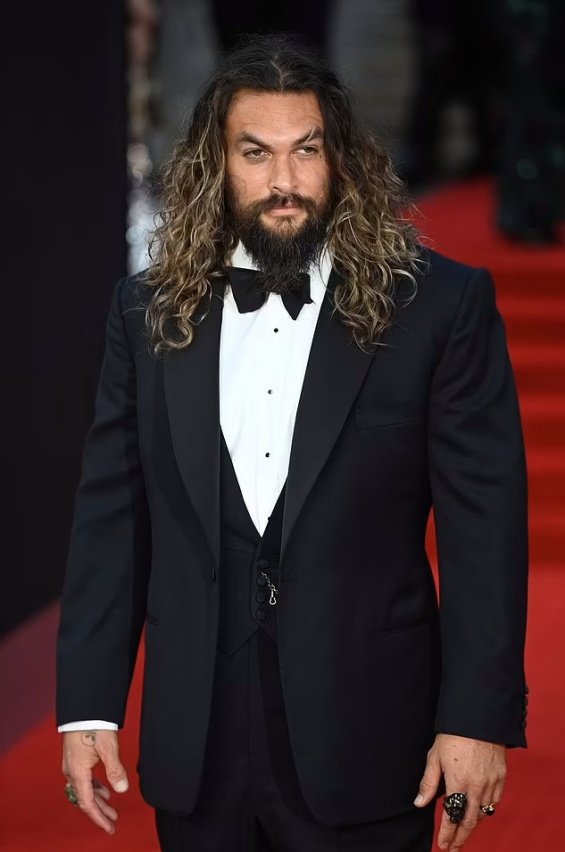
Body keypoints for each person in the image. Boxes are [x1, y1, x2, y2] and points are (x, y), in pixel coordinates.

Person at [57, 35, 528, 852]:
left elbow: (483, 530)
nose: (284, 181)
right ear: (216, 163)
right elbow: (113, 516)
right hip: (196, 745)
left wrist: (476, 719)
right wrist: (89, 704)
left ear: (340, 158)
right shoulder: (145, 314)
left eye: (306, 151)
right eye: (256, 153)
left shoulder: (438, 307)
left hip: (372, 739)